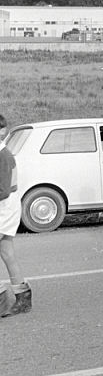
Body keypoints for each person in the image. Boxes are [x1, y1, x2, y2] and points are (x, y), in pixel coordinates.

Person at [0, 114, 31, 318]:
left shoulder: (3, 154)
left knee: (6, 252)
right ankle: (22, 298)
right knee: (7, 252)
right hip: (5, 207)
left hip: (4, 208)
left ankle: (2, 302)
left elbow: (2, 190)